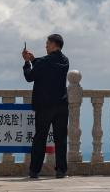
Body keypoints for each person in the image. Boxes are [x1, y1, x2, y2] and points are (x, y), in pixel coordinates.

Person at [22, 33, 70, 179]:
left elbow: (30, 77)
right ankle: (61, 170)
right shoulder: (65, 60)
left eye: (47, 44)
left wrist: (27, 63)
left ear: (54, 44)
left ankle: (34, 170)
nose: (46, 46)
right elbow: (47, 65)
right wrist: (34, 59)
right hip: (62, 105)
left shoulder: (44, 62)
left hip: (45, 106)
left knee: (40, 138)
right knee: (60, 139)